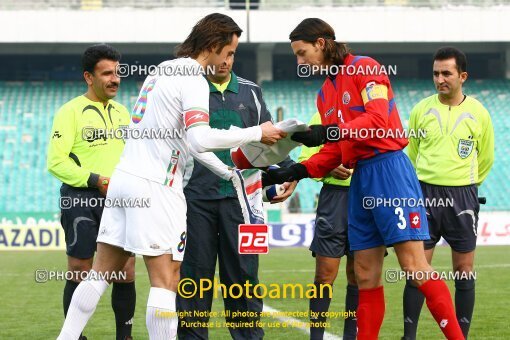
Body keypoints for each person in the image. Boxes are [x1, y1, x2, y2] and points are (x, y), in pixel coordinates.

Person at [56, 13, 285, 340]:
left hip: (124, 180)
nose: (228, 59)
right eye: (228, 50)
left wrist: (229, 173)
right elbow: (199, 139)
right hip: (156, 187)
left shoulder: (163, 70)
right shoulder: (193, 79)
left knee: (99, 274)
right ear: (214, 45)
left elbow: (185, 141)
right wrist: (255, 132)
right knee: (167, 279)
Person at [265, 18, 465, 339]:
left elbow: (377, 118)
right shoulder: (324, 94)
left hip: (389, 171)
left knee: (414, 267)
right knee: (365, 273)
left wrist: (328, 132)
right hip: (360, 179)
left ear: (321, 43)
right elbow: (336, 149)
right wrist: (299, 170)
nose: (300, 62)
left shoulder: (365, 68)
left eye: (302, 53)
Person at [177, 45, 297, 339]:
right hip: (194, 201)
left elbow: (271, 138)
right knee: (193, 278)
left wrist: (291, 170)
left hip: (245, 202)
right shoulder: (189, 90)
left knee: (244, 277)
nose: (226, 61)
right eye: (221, 55)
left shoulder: (251, 91)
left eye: (231, 55)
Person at [402, 47, 494, 340]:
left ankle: (460, 336)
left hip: (462, 197)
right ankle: (409, 335)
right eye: (436, 73)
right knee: (417, 269)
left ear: (462, 76)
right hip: (424, 195)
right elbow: (411, 154)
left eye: (446, 73)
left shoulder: (479, 112)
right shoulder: (421, 110)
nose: (440, 79)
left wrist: (462, 183)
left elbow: (486, 158)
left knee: (464, 269)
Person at [47, 44, 136, 340]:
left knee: (125, 270)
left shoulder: (124, 113)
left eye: (118, 72)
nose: (115, 79)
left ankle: (124, 336)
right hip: (81, 198)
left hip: (120, 199)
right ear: (89, 76)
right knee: (79, 268)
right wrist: (95, 179)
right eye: (107, 73)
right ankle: (77, 336)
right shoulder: (69, 112)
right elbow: (56, 162)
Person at [298, 112, 358, 340]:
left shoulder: (373, 114)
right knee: (324, 276)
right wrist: (328, 167)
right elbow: (306, 158)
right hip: (334, 198)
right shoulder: (322, 114)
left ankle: (351, 337)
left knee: (359, 275)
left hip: (367, 198)